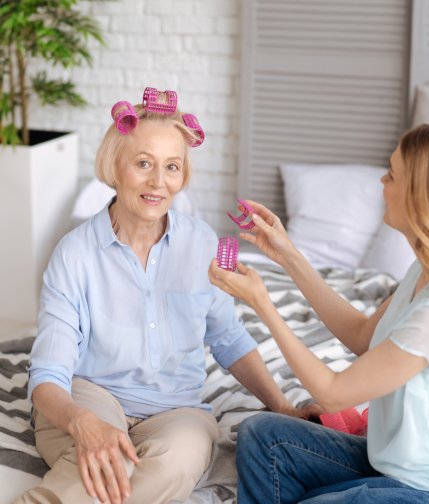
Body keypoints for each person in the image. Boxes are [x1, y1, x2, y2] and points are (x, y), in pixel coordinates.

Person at [18, 92, 322, 504]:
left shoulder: (202, 243)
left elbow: (228, 338)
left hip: (176, 411)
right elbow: (49, 372)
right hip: (89, 394)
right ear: (115, 168)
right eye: (143, 163)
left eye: (171, 167)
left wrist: (282, 407)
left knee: (179, 459)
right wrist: (83, 422)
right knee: (109, 462)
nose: (158, 182)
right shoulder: (73, 254)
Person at [209, 123, 429, 504]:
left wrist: (262, 304)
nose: (382, 179)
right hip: (397, 470)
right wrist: (288, 255)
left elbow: (332, 394)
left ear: (422, 198)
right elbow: (362, 336)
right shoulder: (425, 271)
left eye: (392, 174)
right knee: (265, 436)